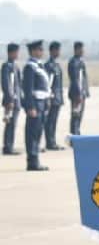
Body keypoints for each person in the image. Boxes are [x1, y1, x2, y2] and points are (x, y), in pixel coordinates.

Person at [21, 40, 51, 171]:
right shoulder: (30, 67)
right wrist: (30, 107)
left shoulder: (39, 66)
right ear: (33, 51)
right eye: (40, 49)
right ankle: (32, 162)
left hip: (42, 103)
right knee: (32, 133)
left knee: (38, 132)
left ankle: (36, 160)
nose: (42, 51)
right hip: (35, 104)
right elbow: (27, 90)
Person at [42, 41, 65, 150]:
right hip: (51, 97)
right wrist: (49, 96)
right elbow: (48, 83)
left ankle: (53, 141)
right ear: (52, 51)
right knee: (50, 121)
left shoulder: (56, 65)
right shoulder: (49, 66)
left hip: (57, 97)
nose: (59, 52)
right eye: (57, 50)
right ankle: (50, 142)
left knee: (54, 121)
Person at [67, 41, 90, 136]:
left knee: (79, 115)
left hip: (81, 93)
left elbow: (84, 79)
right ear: (76, 50)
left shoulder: (80, 61)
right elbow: (75, 79)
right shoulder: (74, 62)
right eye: (81, 49)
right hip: (77, 94)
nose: (83, 51)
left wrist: (86, 92)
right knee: (76, 115)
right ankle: (74, 135)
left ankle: (77, 132)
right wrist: (78, 94)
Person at [2, 43, 21, 155]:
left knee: (13, 124)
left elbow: (18, 84)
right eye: (16, 52)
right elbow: (7, 84)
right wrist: (10, 100)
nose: (17, 54)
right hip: (11, 101)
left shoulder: (15, 66)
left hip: (16, 100)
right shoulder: (6, 66)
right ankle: (7, 147)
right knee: (9, 124)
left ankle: (10, 145)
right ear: (10, 53)